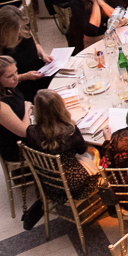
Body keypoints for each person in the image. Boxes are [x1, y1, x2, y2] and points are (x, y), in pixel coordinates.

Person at [25, 87, 99, 217]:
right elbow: (82, 150)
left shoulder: (31, 132)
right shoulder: (69, 130)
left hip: (47, 184)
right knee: (96, 152)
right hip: (76, 187)